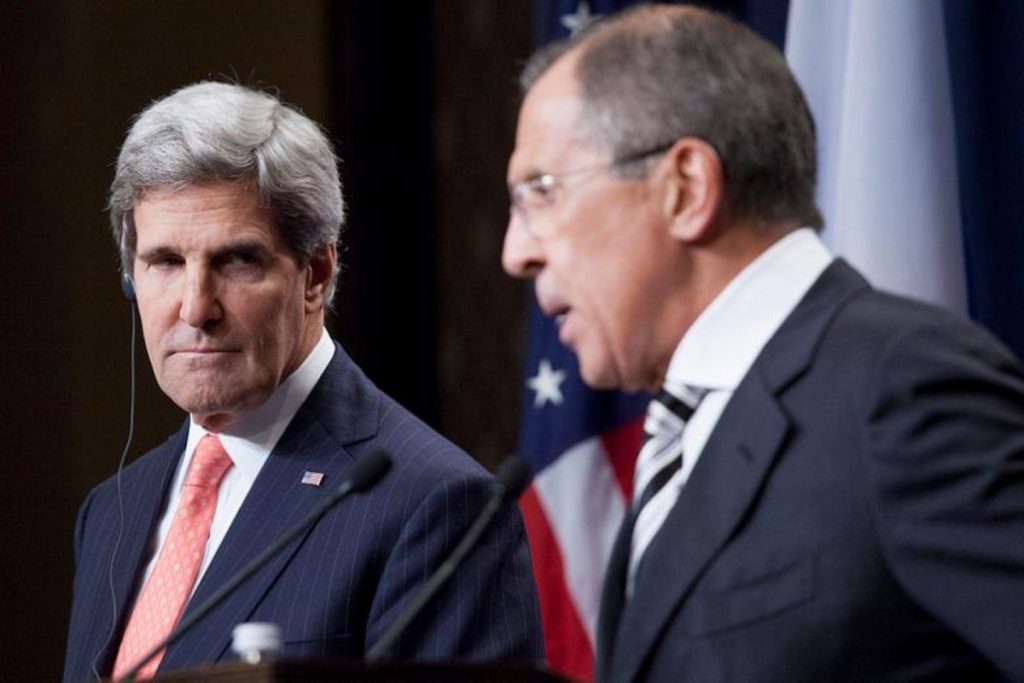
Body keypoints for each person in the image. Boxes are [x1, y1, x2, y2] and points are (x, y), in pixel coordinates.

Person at [502, 6, 1024, 682]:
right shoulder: (679, 433)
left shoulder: (901, 388)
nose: (517, 253)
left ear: (685, 188)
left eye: (540, 192)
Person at [64, 81, 542, 682]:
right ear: (131, 279)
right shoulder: (110, 512)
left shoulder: (438, 507)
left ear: (316, 273)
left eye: (236, 260)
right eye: (165, 262)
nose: (194, 309)